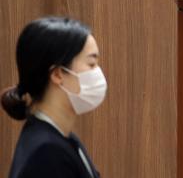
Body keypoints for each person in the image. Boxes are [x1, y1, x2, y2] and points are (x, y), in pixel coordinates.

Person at [2, 17, 106, 178]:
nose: (98, 72)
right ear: (57, 75)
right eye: (91, 64)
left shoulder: (62, 139)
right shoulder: (46, 153)